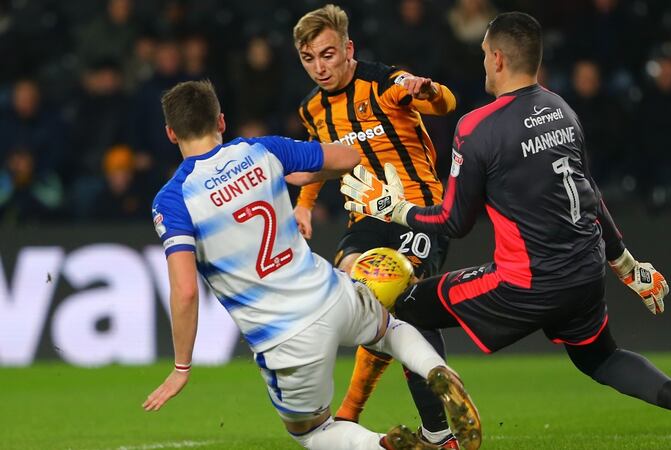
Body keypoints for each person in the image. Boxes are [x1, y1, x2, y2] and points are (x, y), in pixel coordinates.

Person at [341, 12, 671, 450]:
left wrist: (395, 209)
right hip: (584, 274)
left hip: (526, 282)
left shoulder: (477, 128)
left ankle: (440, 438)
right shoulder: (562, 110)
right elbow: (590, 194)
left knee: (408, 309)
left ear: (496, 59)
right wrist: (627, 265)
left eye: (484, 55)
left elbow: (455, 222)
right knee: (600, 358)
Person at [142, 80, 481, 450]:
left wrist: (181, 368)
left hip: (283, 336)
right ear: (221, 121)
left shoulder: (173, 199)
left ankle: (384, 445)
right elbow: (348, 158)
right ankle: (436, 369)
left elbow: (186, 291)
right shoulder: (263, 150)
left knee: (312, 432)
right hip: (332, 293)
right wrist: (301, 172)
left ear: (171, 133)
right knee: (391, 330)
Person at [292, 5, 460, 447]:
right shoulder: (312, 108)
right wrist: (304, 206)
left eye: (328, 55)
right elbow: (320, 159)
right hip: (366, 216)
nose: (320, 67)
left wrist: (426, 88)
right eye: (309, 59)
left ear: (348, 49)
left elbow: (446, 104)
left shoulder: (384, 82)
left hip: (420, 208)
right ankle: (368, 413)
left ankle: (436, 430)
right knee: (358, 293)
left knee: (401, 300)